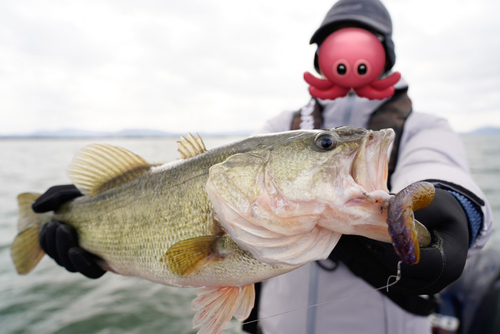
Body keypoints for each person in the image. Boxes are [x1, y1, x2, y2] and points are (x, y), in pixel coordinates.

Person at [33, 1, 493, 333]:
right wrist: (99, 232)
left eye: (366, 46)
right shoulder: (280, 127)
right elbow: (181, 228)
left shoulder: (424, 126)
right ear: (320, 56)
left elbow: (442, 169)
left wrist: (453, 208)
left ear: (385, 55)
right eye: (325, 145)